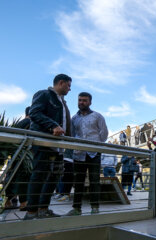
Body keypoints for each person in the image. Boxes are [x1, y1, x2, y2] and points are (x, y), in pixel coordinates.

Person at [25, 74, 72, 220]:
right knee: (39, 175)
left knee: (53, 177)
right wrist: (52, 125)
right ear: (61, 82)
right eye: (68, 85)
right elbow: (34, 113)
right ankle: (31, 212)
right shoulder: (44, 94)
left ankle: (43, 210)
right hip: (44, 143)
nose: (70, 89)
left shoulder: (62, 102)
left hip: (58, 146)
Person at [66, 92, 108, 216]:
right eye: (79, 100)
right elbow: (72, 135)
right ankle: (76, 208)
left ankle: (95, 207)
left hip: (94, 153)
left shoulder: (97, 116)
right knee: (78, 181)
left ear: (90, 102)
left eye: (84, 100)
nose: (81, 102)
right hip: (79, 153)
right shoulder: (74, 118)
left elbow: (104, 133)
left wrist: (96, 144)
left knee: (94, 180)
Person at [4, 106, 32, 211]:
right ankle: (24, 203)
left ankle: (9, 202)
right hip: (24, 156)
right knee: (23, 177)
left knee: (12, 177)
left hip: (15, 155)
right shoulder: (28, 123)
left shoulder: (19, 123)